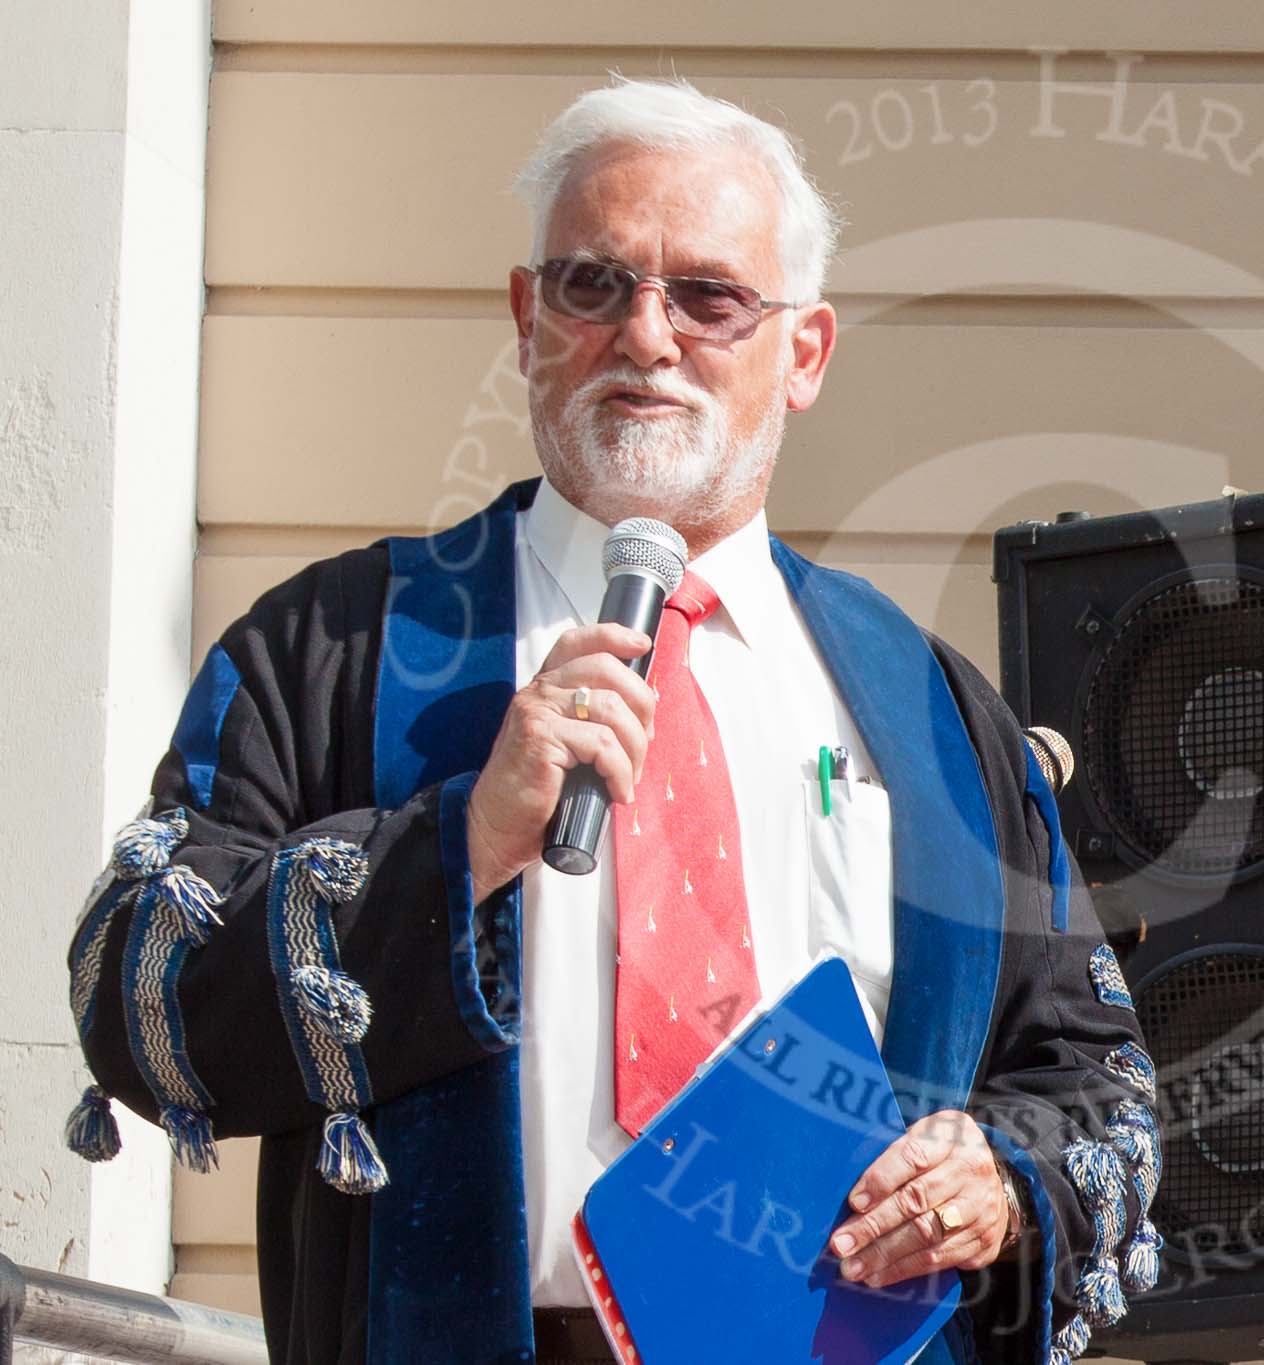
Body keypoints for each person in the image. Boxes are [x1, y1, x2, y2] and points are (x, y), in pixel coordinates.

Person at [63, 78, 1159, 1365]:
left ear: (801, 353)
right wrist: (456, 847)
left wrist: (1001, 1175)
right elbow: (132, 987)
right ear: (529, 319)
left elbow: (1099, 1086)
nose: (646, 336)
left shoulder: (926, 708)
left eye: (708, 296)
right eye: (594, 286)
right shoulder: (342, 648)